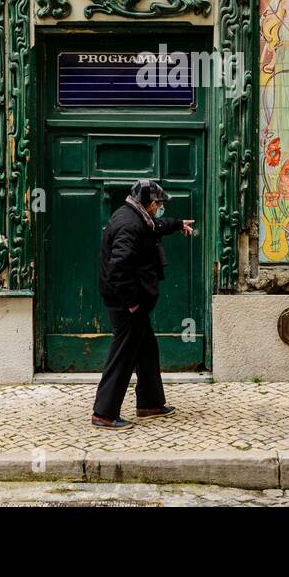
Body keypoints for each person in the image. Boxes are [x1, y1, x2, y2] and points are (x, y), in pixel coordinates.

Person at [92, 179, 196, 429]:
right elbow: (118, 269)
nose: (161, 208)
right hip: (126, 303)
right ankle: (104, 414)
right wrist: (132, 303)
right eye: (159, 204)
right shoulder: (129, 225)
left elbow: (157, 226)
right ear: (150, 204)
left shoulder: (137, 216)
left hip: (132, 301)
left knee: (147, 349)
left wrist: (178, 224)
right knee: (123, 355)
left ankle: (150, 403)